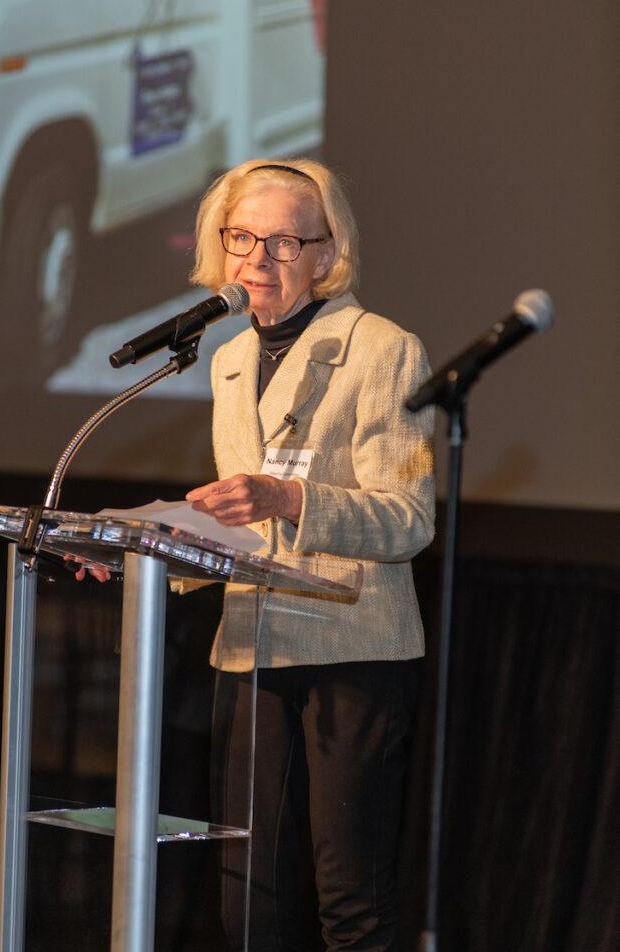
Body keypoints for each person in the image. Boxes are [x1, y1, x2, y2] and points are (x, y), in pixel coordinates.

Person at [183, 157, 435, 952]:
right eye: (242, 237)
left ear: (327, 254)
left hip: (351, 647)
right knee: (244, 902)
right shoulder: (225, 360)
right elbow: (243, 520)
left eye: (285, 242)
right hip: (254, 645)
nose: (258, 258)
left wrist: (288, 498)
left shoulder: (381, 350)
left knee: (349, 901)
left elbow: (406, 518)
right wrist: (152, 555)